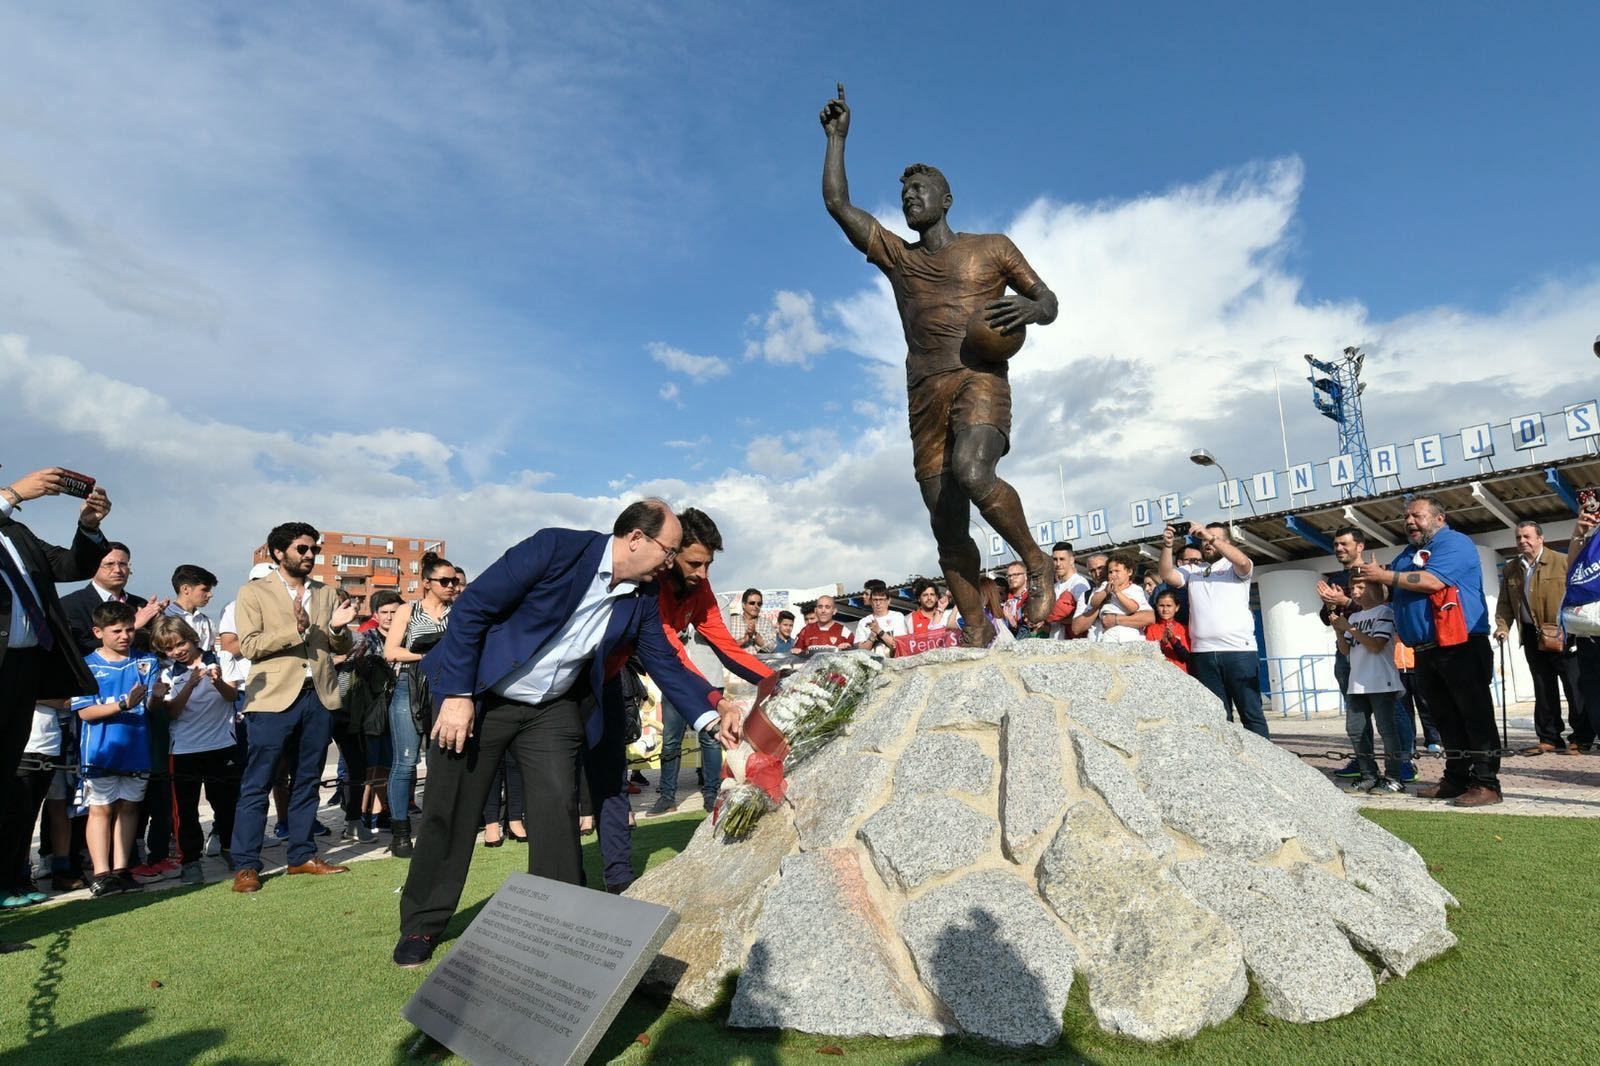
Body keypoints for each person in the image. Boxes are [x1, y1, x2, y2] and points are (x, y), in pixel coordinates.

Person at [393, 499, 745, 967]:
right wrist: (457, 694)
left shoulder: (642, 597)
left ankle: (557, 919)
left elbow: (663, 661)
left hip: (552, 709)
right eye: (669, 550)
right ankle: (422, 922)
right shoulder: (554, 549)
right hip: (480, 695)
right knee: (450, 808)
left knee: (558, 807)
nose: (671, 563)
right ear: (635, 538)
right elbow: (472, 609)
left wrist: (712, 712)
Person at [820, 86, 1059, 646]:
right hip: (925, 392)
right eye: (904, 193)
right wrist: (837, 140)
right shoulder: (899, 258)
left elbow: (1048, 302)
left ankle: (1035, 560)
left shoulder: (992, 247)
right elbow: (837, 204)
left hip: (980, 378)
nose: (910, 198)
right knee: (946, 525)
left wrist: (1030, 308)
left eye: (919, 190)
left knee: (974, 472)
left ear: (946, 200)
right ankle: (974, 628)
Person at [229, 522, 358, 893]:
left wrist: (338, 629)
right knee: (258, 783)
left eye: (313, 549)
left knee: (308, 780)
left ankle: (301, 855)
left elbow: (338, 644)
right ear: (278, 552)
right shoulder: (253, 592)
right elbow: (249, 646)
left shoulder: (326, 592)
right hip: (271, 699)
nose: (309, 555)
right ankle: (246, 865)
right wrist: (296, 631)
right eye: (302, 549)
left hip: (318, 696)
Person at [1350, 495, 1498, 806]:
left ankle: (1487, 783)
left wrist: (1384, 575)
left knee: (1474, 715)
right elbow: (1385, 594)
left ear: (1439, 518)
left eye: (1417, 516)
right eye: (1406, 517)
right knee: (1444, 719)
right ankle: (1456, 779)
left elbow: (1432, 581)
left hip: (1461, 644)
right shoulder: (1407, 554)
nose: (1409, 521)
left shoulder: (1455, 543)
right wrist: (1365, 579)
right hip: (1425, 649)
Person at [644, 508, 773, 822]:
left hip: (678, 678)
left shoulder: (701, 589)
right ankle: (665, 796)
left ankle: (710, 795)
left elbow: (728, 650)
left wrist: (778, 679)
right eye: (694, 563)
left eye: (709, 564)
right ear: (670, 555)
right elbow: (675, 658)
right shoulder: (651, 588)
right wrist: (719, 701)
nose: (703, 574)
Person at [0, 466, 111, 783]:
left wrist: (88, 527)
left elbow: (67, 566)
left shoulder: (14, 532)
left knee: (6, 771)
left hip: (24, 666)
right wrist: (12, 494)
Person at [70, 602, 158, 896]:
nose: (125, 636)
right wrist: (123, 704)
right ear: (98, 632)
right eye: (117, 631)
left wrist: (159, 697)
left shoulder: (146, 661)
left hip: (137, 749)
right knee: (101, 810)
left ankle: (121, 870)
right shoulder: (87, 665)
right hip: (100, 750)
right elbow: (85, 712)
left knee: (130, 808)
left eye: (129, 629)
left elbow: (152, 705)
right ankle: (101, 873)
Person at [150, 616, 239, 884]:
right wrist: (190, 683)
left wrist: (216, 681)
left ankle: (230, 848)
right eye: (169, 648)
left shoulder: (221, 658)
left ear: (191, 637)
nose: (177, 651)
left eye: (181, 643)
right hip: (184, 749)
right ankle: (190, 860)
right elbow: (173, 712)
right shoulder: (167, 672)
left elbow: (232, 696)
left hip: (222, 744)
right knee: (186, 810)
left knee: (226, 803)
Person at [1159, 522, 1270, 738]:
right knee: (1219, 718)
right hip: (1203, 654)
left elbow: (1243, 562)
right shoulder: (1194, 570)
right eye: (1203, 539)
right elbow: (1166, 575)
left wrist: (1208, 536)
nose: (1207, 542)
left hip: (1238, 652)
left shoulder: (1235, 567)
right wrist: (1167, 545)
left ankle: (1267, 759)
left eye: (1213, 538)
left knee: (1251, 714)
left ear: (1226, 542)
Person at [382, 550, 460, 857]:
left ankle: (438, 829)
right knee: (405, 761)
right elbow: (391, 652)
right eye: (445, 581)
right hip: (410, 685)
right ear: (427, 582)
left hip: (446, 688)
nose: (452, 586)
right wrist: (426, 655)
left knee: (442, 761)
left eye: (454, 581)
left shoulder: (458, 611)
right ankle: (400, 834)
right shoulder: (408, 610)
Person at [1493, 520, 1588, 752]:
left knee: (1574, 687)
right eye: (1518, 537)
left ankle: (1582, 737)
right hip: (1531, 635)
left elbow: (1578, 592)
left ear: (1540, 538)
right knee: (1543, 687)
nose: (1522, 541)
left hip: (1562, 634)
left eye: (1527, 536)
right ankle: (1549, 737)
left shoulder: (1562, 561)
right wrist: (1503, 626)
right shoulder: (1511, 568)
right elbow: (1505, 603)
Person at [1329, 579, 1406, 794]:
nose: (1354, 591)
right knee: (1355, 730)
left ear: (1376, 591)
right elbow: (1345, 650)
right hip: (1357, 682)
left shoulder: (1385, 612)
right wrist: (1339, 630)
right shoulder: (1354, 617)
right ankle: (1368, 774)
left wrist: (1349, 628)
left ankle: (1393, 777)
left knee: (1387, 730)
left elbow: (1376, 645)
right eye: (1353, 587)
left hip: (1381, 681)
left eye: (1361, 588)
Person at [60, 542, 165, 654]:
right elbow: (78, 647)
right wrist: (132, 627)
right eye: (109, 564)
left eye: (123, 564)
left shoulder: (140, 604)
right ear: (93, 568)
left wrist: (158, 624)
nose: (117, 570)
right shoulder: (70, 605)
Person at [1077, 552, 1153, 642]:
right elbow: (1093, 602)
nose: (1113, 575)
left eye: (1117, 571)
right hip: (1108, 631)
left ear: (1129, 572)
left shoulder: (1135, 589)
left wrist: (1117, 593)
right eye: (1110, 572)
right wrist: (1105, 592)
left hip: (1129, 630)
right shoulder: (1105, 585)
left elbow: (1133, 608)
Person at [165, 565, 219, 652]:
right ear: (185, 589)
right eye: (205, 589)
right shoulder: (164, 617)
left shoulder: (207, 622)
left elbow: (211, 653)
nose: (210, 595)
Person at [1045, 542, 1091, 639]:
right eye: (1055, 559)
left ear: (1071, 560)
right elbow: (1050, 626)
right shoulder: (1055, 587)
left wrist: (1053, 618)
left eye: (1062, 559)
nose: (1058, 564)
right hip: (1054, 641)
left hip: (1072, 642)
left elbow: (1084, 616)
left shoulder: (1079, 583)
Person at [854, 579, 909, 657]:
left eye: (881, 599)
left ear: (888, 600)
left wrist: (879, 631)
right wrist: (872, 637)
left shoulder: (897, 616)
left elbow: (899, 646)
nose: (878, 603)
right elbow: (861, 652)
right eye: (875, 600)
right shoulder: (863, 622)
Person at [1144, 590, 1190, 671]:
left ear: (1177, 607)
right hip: (1160, 673)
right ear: (1156, 607)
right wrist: (1163, 643)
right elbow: (1149, 656)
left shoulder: (1183, 629)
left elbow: (1186, 657)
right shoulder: (1150, 629)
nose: (1165, 609)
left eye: (1169, 606)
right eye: (1161, 605)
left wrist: (1173, 640)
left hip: (1180, 674)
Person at [727, 588, 774, 653]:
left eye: (759, 604)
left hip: (758, 659)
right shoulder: (731, 622)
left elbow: (771, 648)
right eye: (752, 603)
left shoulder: (767, 623)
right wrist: (744, 640)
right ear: (743, 605)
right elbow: (724, 647)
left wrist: (755, 634)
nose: (756, 606)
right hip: (735, 659)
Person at [1000, 561, 1030, 635]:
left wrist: (1011, 620)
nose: (1011, 578)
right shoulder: (1004, 598)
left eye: (1016, 574)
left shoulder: (1032, 597)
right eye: (1009, 576)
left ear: (1026, 576)